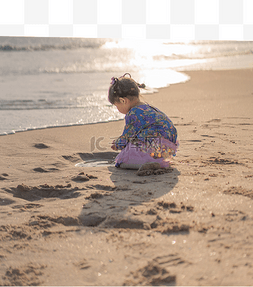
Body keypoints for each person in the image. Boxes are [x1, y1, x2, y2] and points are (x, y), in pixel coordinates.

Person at [108, 73, 178, 169]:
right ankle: (158, 160)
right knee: (135, 143)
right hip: (170, 146)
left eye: (117, 105)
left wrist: (117, 144)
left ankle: (150, 163)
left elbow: (127, 137)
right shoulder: (148, 107)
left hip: (156, 146)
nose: (117, 109)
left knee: (122, 159)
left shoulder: (133, 113)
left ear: (123, 101)